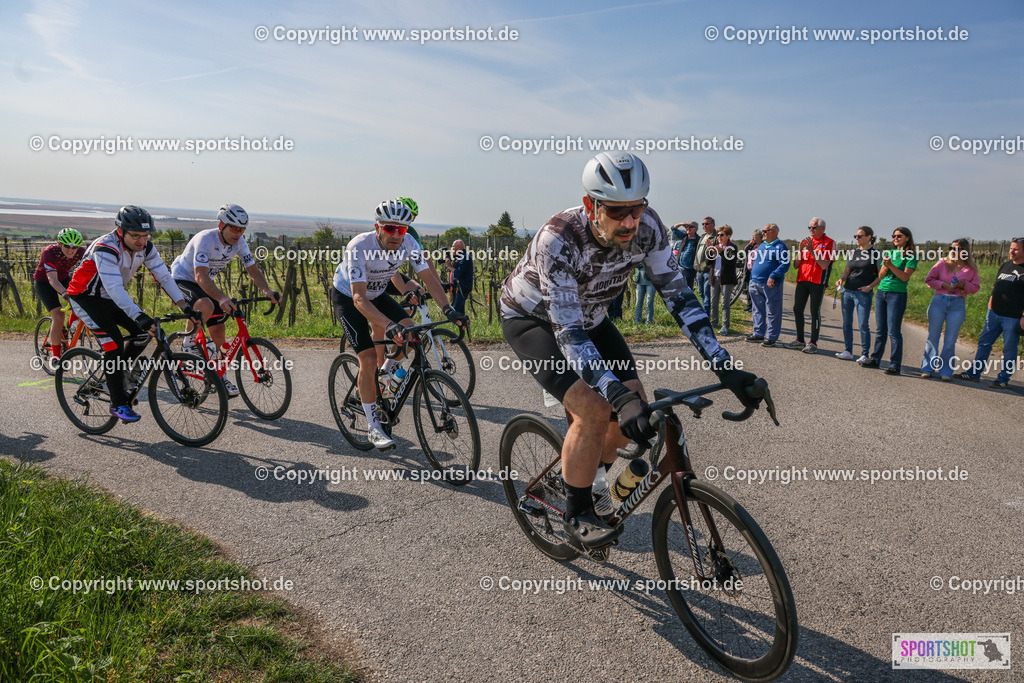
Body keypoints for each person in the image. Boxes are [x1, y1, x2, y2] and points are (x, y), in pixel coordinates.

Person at [500, 152, 763, 549]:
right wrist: (614, 396)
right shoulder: (558, 238)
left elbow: (679, 296)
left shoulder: (649, 227)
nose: (630, 222)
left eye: (637, 208)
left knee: (631, 409)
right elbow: (568, 335)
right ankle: (576, 511)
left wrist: (724, 366)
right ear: (591, 205)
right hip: (533, 318)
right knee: (595, 407)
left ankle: (594, 480)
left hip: (590, 317)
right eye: (618, 211)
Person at [332, 199, 466, 450]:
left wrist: (449, 309)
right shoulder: (360, 246)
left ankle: (384, 374)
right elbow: (360, 298)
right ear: (378, 227)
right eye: (390, 228)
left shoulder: (410, 244)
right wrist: (386, 324)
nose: (396, 235)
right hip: (350, 297)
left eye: (401, 229)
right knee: (368, 360)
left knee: (410, 332)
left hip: (377, 292)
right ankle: (373, 427)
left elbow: (430, 279)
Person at [66, 206, 200, 422]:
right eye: (135, 235)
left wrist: (185, 306)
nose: (141, 241)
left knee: (142, 334)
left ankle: (118, 375)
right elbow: (114, 287)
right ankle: (118, 403)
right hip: (85, 297)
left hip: (110, 298)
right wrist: (139, 316)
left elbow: (164, 277)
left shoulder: (146, 248)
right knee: (113, 344)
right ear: (121, 231)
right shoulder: (105, 248)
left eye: (145, 235)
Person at [170, 204, 280, 397]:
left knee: (219, 331)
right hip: (182, 278)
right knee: (206, 305)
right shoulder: (206, 239)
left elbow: (252, 269)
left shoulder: (240, 243)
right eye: (234, 229)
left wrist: (267, 290)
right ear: (221, 225)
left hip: (203, 281)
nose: (238, 234)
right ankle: (188, 344)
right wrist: (221, 297)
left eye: (242, 230)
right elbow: (200, 277)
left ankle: (219, 375)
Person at [955, 237, 1024, 388]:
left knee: (1009, 349)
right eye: (1011, 248)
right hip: (994, 313)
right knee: (984, 343)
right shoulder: (1005, 265)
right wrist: (990, 304)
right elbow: (996, 286)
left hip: (1013, 317)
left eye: (1016, 249)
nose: (1011, 251)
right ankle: (974, 373)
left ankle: (1003, 379)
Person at [919, 239, 980, 380]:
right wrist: (944, 285)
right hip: (939, 301)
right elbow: (929, 280)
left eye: (957, 249)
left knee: (950, 339)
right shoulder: (942, 263)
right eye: (951, 248)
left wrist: (964, 284)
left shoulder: (971, 269)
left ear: (964, 251)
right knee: (933, 336)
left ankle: (945, 371)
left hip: (958, 304)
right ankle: (927, 368)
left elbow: (975, 288)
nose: (953, 251)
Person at [861, 227, 918, 375]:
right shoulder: (890, 253)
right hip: (882, 292)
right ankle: (876, 359)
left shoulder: (910, 255)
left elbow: (905, 277)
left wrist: (891, 265)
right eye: (894, 236)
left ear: (907, 238)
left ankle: (895, 364)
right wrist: (885, 267)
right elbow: (880, 275)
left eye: (899, 236)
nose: (895, 238)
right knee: (880, 329)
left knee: (894, 331)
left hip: (897, 295)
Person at [32, 228, 85, 368]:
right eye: (67, 246)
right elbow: (52, 280)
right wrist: (66, 295)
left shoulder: (82, 252)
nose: (71, 250)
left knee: (82, 301)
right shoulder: (49, 252)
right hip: (45, 282)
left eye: (75, 246)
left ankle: (69, 328)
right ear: (59, 244)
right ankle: (56, 356)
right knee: (58, 315)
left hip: (63, 278)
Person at [787, 217, 835, 354]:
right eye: (810, 227)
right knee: (797, 309)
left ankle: (813, 342)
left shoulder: (829, 243)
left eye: (814, 227)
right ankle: (800, 340)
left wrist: (812, 250)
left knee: (815, 311)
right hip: (803, 280)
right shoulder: (806, 242)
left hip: (817, 282)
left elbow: (824, 264)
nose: (811, 230)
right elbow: (796, 265)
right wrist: (800, 251)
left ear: (822, 229)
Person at [835, 227, 881, 363]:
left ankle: (865, 354)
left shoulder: (876, 253)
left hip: (863, 293)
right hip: (847, 291)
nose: (857, 238)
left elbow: (881, 275)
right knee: (847, 323)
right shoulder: (853, 252)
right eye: (856, 236)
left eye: (860, 236)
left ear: (869, 237)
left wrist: (870, 287)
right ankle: (848, 351)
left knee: (863, 325)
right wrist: (841, 279)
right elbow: (847, 271)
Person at [746, 224, 790, 346]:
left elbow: (785, 264)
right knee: (757, 310)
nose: (763, 233)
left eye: (765, 231)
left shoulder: (781, 247)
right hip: (755, 282)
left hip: (771, 283)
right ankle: (758, 333)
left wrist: (773, 275)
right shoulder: (762, 246)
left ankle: (771, 337)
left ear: (774, 232)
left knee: (772, 310)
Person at [708, 225, 738, 335]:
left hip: (727, 279)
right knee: (713, 302)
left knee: (725, 303)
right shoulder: (716, 246)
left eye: (721, 235)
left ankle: (725, 325)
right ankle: (713, 323)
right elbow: (709, 263)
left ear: (728, 236)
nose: (719, 237)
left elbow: (731, 262)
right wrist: (710, 251)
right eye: (718, 235)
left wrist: (721, 252)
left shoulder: (732, 247)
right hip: (714, 277)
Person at [694, 216, 716, 315]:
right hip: (699, 270)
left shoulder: (716, 237)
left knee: (707, 294)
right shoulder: (703, 237)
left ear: (713, 225)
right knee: (701, 293)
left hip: (707, 270)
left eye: (707, 224)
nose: (704, 226)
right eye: (703, 224)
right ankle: (704, 312)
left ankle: (707, 315)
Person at [445, 239, 474, 316]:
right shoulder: (459, 256)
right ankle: (462, 325)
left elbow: (459, 273)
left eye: (453, 247)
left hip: (462, 288)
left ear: (460, 247)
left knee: (456, 309)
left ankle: (459, 324)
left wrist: (449, 266)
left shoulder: (464, 258)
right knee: (459, 310)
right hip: (457, 288)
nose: (452, 248)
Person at [672, 221, 699, 289]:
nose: (688, 228)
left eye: (691, 227)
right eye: (687, 226)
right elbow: (673, 229)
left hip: (690, 269)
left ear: (695, 228)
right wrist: (681, 224)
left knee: (688, 289)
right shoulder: (684, 237)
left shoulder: (698, 240)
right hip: (680, 268)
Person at [742, 228, 763, 311]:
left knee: (756, 290)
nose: (753, 238)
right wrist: (750, 245)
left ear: (759, 237)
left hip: (757, 270)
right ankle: (749, 305)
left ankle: (755, 306)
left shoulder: (762, 246)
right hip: (749, 270)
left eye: (754, 236)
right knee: (749, 289)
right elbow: (745, 251)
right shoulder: (752, 246)